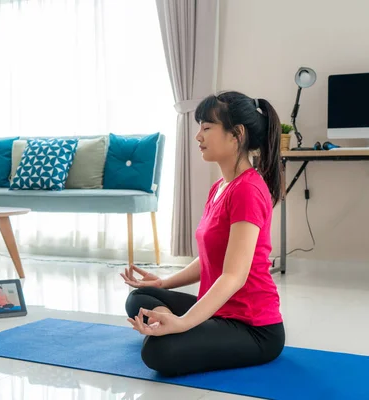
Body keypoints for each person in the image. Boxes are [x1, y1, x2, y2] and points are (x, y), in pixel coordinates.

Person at [121, 91, 285, 377]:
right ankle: (176, 327)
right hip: (219, 311)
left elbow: (234, 276)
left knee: (157, 353)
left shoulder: (248, 190)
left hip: (253, 328)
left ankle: (176, 331)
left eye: (207, 128)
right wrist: (163, 284)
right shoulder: (221, 186)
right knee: (140, 298)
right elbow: (211, 257)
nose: (198, 136)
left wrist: (184, 323)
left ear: (237, 135)